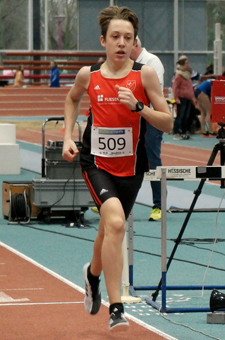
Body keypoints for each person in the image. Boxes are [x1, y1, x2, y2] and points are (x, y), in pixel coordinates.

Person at [62, 5, 172, 331]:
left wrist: (138, 107)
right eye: (115, 37)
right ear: (103, 41)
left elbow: (167, 121)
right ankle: (117, 308)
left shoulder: (144, 75)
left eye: (127, 37)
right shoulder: (89, 75)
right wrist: (67, 136)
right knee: (115, 223)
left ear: (134, 42)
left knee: (109, 229)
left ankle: (91, 275)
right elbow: (71, 99)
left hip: (132, 166)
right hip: (95, 162)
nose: (122, 43)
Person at [129, 36, 164, 221]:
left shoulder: (151, 61)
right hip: (132, 118)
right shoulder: (127, 64)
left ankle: (158, 205)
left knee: (152, 159)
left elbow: (152, 92)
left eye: (127, 40)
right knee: (126, 158)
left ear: (134, 43)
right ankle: (114, 200)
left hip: (152, 118)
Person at [172, 57, 196, 140]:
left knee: (186, 117)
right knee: (180, 116)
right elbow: (174, 87)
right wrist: (176, 98)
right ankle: (177, 132)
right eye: (186, 63)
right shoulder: (178, 75)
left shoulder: (188, 75)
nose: (187, 65)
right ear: (182, 64)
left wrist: (193, 98)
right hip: (181, 98)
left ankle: (184, 132)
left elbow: (190, 87)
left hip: (188, 98)